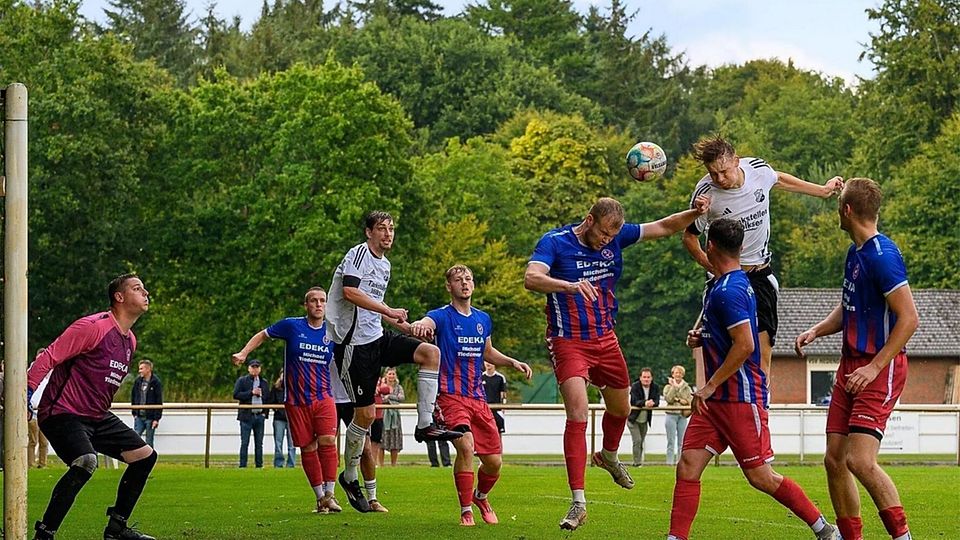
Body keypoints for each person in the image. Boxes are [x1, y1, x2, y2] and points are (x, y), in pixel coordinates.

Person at [523, 195, 710, 530]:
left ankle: (608, 456)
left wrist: (695, 212)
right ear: (589, 219)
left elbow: (664, 226)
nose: (608, 240)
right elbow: (532, 278)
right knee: (578, 413)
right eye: (604, 233)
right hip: (569, 341)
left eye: (614, 236)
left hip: (606, 339)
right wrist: (568, 286)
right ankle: (578, 502)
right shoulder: (555, 242)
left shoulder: (618, 235)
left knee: (622, 411)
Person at [667, 218, 837, 540]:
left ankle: (824, 529)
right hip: (716, 402)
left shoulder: (730, 289)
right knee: (688, 465)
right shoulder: (726, 283)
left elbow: (746, 345)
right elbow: (733, 336)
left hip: (740, 399)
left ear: (711, 246)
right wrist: (704, 337)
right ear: (741, 248)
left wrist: (710, 384)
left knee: (761, 477)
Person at [795, 178, 918, 540]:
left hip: (879, 367)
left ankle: (902, 537)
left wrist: (874, 366)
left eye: (838, 206)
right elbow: (851, 307)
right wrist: (817, 330)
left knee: (860, 461)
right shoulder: (856, 253)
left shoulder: (883, 256)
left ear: (846, 210)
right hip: (851, 367)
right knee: (834, 460)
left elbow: (909, 318)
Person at [326, 210, 461, 513]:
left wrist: (408, 327)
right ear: (368, 232)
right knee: (365, 416)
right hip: (353, 346)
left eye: (391, 229)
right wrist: (390, 310)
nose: (388, 234)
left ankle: (425, 424)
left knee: (430, 353)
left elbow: (377, 311)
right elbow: (350, 292)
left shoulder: (385, 265)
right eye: (382, 229)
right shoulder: (358, 254)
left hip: (377, 338)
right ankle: (349, 477)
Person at [683, 136, 844, 383]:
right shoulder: (706, 194)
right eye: (713, 174)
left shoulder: (758, 170)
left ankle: (760, 411)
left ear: (736, 161)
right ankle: (717, 405)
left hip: (759, 275)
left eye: (724, 172)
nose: (719, 179)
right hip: (725, 281)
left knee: (761, 355)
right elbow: (689, 238)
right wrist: (712, 267)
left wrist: (821, 191)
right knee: (720, 352)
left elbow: (778, 178)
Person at [28, 274, 157, 540]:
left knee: (145, 456)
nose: (145, 293)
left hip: (96, 417)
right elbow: (49, 356)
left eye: (144, 288)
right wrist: (26, 392)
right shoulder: (93, 327)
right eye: (137, 288)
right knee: (86, 462)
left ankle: (116, 528)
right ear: (119, 297)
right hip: (62, 412)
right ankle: (45, 533)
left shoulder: (130, 340)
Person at [411, 264, 533, 526]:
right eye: (458, 279)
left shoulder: (482, 319)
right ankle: (466, 510)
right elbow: (427, 322)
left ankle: (481, 496)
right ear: (449, 286)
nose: (464, 283)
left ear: (473, 284)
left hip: (477, 398)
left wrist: (512, 362)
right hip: (450, 396)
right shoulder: (441, 316)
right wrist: (421, 324)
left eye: (468, 279)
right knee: (465, 445)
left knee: (494, 463)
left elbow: (487, 351)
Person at [232, 287, 340, 512]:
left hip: (323, 396)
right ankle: (320, 498)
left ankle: (331, 494)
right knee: (308, 447)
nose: (319, 305)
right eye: (313, 301)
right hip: (296, 399)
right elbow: (263, 334)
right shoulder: (292, 326)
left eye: (322, 301)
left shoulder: (333, 331)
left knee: (328, 441)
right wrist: (243, 353)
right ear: (306, 305)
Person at [332, 360, 388, 513]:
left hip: (354, 399)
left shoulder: (357, 339)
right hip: (329, 398)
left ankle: (372, 499)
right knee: (327, 446)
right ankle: (326, 497)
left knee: (366, 449)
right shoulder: (324, 339)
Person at [233, 359, 269, 468]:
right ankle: (242, 466)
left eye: (257, 367)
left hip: (259, 416)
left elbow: (268, 398)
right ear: (249, 368)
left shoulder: (264, 382)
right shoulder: (242, 380)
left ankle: (259, 466)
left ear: (260, 369)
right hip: (246, 416)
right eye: (253, 367)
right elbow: (236, 395)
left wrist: (264, 414)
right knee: (245, 443)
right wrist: (251, 393)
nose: (255, 369)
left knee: (259, 444)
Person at [627, 367, 658, 467]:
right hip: (633, 419)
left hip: (644, 420)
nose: (646, 379)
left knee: (641, 441)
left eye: (648, 377)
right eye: (644, 377)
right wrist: (645, 403)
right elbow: (634, 401)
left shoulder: (655, 387)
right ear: (640, 378)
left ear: (652, 378)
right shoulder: (635, 387)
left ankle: (639, 461)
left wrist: (652, 403)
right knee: (637, 440)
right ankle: (637, 463)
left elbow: (657, 401)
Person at [662, 364, 693, 466]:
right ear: (673, 374)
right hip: (671, 414)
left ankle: (680, 463)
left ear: (683, 375)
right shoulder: (667, 387)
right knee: (670, 441)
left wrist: (679, 399)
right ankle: (669, 463)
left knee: (682, 441)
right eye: (676, 373)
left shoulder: (687, 388)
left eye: (680, 373)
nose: (678, 374)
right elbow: (668, 399)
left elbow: (689, 400)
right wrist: (674, 388)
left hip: (682, 416)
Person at [131, 359, 163, 448]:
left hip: (150, 417)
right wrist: (134, 412)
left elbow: (159, 401)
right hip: (139, 416)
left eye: (141, 369)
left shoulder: (156, 382)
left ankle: (149, 460)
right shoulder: (138, 382)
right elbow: (133, 397)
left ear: (148, 369)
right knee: (135, 438)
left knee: (149, 440)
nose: (139, 371)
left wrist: (156, 419)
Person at [267, 370, 296, 468]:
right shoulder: (276, 388)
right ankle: (278, 463)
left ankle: (291, 464)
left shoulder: (294, 387)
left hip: (291, 419)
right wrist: (276, 408)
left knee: (292, 443)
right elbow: (270, 401)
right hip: (279, 418)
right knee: (278, 442)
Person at [28, 349, 50, 469]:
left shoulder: (47, 378)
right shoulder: (31, 373)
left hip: (43, 412)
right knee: (33, 440)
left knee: (44, 442)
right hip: (33, 412)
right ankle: (30, 464)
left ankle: (43, 464)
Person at [380, 368, 404, 466]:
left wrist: (389, 397)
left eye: (393, 374)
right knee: (381, 439)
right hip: (383, 415)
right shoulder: (381, 386)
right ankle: (380, 464)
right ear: (386, 375)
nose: (391, 376)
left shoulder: (399, 387)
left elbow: (401, 397)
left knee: (395, 440)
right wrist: (393, 397)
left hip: (395, 416)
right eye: (390, 374)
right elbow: (380, 398)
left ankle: (393, 465)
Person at [481, 361, 507, 435]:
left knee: (498, 433)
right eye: (486, 362)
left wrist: (503, 406)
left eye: (490, 362)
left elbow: (503, 394)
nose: (488, 364)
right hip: (484, 410)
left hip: (497, 409)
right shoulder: (480, 377)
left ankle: (499, 447)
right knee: (484, 433)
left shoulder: (500, 377)